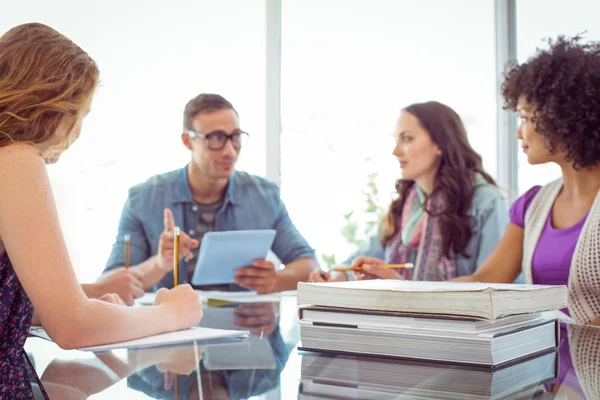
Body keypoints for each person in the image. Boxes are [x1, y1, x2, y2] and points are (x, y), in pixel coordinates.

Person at [0, 23, 203, 397]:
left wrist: (87, 300)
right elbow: (72, 329)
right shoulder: (14, 159)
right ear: (51, 104)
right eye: (82, 113)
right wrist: (174, 314)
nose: (77, 133)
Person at [102, 93, 317, 294]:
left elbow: (309, 265)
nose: (229, 151)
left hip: (245, 328)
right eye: (215, 138)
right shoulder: (144, 199)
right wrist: (159, 264)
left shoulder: (264, 196)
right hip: (167, 327)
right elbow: (110, 284)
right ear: (188, 141)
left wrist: (276, 280)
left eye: (235, 137)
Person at [453, 36, 600, 325]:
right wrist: (403, 287)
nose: (520, 134)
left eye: (524, 118)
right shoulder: (533, 206)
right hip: (550, 366)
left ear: (563, 117)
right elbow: (485, 282)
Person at [310, 101, 509, 283]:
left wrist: (403, 289)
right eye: (396, 139)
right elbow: (358, 260)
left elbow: (493, 288)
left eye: (406, 139)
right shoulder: (404, 207)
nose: (395, 151)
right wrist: (337, 275)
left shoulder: (487, 202)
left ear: (440, 144)